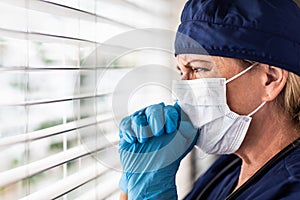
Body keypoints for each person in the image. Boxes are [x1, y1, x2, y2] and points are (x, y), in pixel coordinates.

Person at [118, 0, 300, 199]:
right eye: (182, 72)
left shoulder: (292, 189)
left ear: (270, 79)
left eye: (198, 69)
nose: (184, 88)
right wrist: (134, 181)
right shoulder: (230, 166)